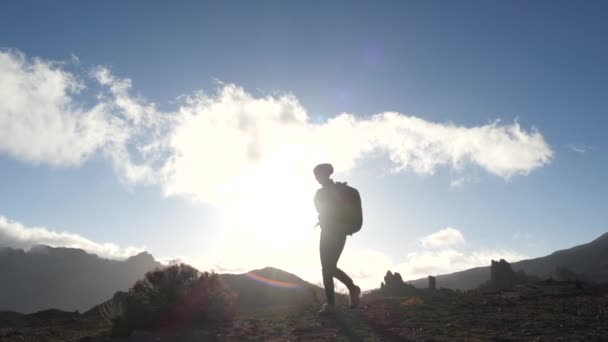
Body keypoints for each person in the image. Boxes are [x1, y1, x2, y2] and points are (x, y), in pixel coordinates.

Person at [313, 163, 361, 314]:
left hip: (336, 231)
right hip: (330, 231)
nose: (316, 178)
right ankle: (341, 296)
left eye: (317, 175)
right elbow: (322, 211)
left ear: (324, 174)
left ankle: (335, 302)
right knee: (328, 268)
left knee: (328, 267)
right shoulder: (322, 192)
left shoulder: (341, 191)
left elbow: (326, 211)